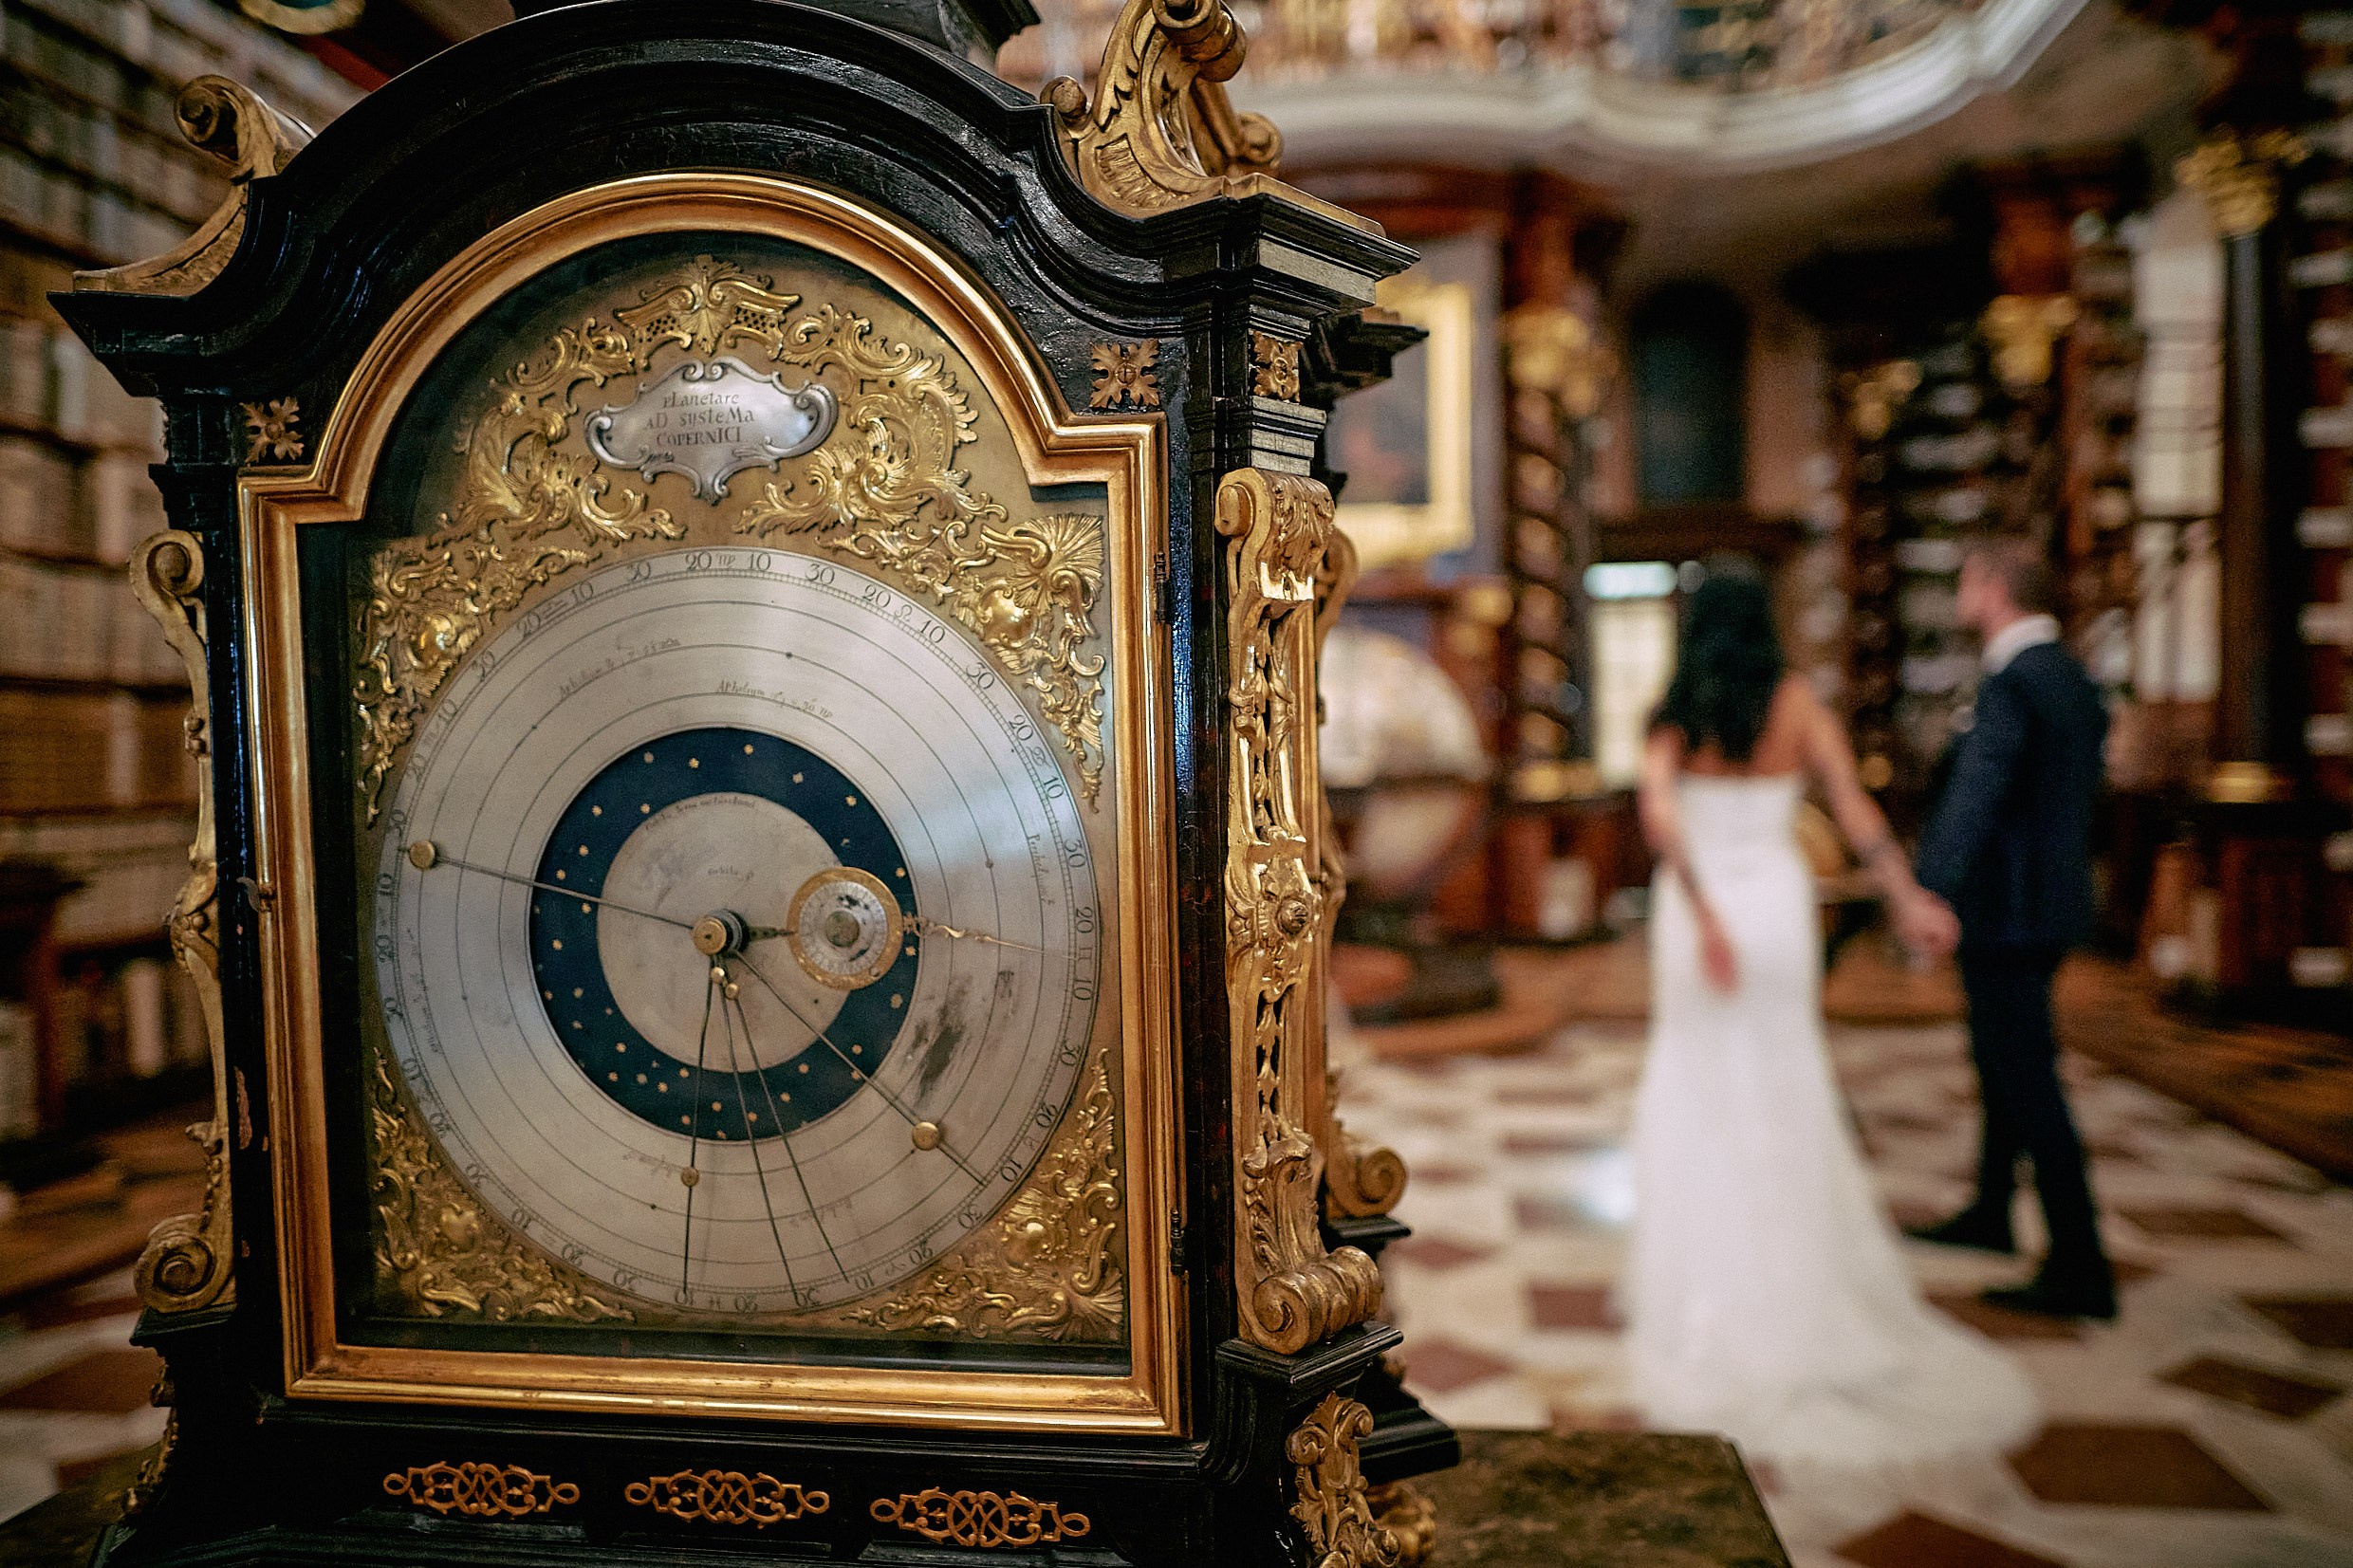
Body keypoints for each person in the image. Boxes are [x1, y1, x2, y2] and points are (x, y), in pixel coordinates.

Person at [1621, 562, 2038, 1467]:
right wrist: (1908, 899)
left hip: (1705, 924)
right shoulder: (1800, 703)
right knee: (1785, 1086)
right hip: (1777, 906)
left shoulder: (1675, 707)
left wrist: (1702, 913)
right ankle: (1796, 1287)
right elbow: (1856, 814)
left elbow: (1660, 817)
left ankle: (1710, 1296)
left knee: (1695, 1084)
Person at [1904, 538, 2117, 1320]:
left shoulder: (2012, 681)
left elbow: (1979, 791)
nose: (1961, 591)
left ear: (1992, 587)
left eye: (1966, 579)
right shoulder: (2071, 677)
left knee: (2027, 1077)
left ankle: (2080, 1260)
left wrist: (1930, 888)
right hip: (2050, 902)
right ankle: (1993, 1209)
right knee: (2003, 1065)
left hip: (2007, 909)